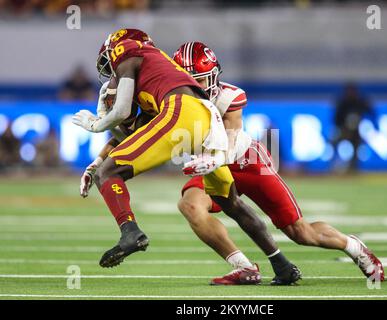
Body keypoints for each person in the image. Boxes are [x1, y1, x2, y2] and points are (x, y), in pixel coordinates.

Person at [73, 29, 300, 285]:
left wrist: (96, 124)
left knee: (110, 174)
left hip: (184, 113)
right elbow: (132, 139)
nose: (110, 72)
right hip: (204, 119)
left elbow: (123, 110)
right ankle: (281, 264)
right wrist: (96, 164)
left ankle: (130, 232)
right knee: (230, 202)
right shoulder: (157, 77)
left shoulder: (127, 51)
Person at [175, 42, 385, 283]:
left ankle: (353, 246)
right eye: (186, 81)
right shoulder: (171, 99)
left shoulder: (229, 96)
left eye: (198, 81)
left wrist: (209, 159)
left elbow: (229, 147)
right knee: (189, 205)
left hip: (245, 161)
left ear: (213, 77)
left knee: (300, 232)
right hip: (210, 165)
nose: (193, 87)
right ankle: (243, 267)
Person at [334, 82, 375, 172]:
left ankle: (353, 168)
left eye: (352, 91)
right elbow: (336, 119)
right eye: (349, 91)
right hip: (344, 131)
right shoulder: (343, 103)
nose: (351, 93)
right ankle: (335, 166)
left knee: (357, 147)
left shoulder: (360, 102)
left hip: (358, 132)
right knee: (334, 142)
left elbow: (372, 115)